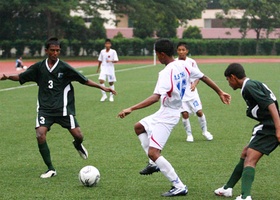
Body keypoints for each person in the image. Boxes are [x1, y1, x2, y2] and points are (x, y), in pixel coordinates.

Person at [118, 38, 231, 197]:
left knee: (154, 152)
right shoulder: (185, 64)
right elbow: (204, 77)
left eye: (157, 55)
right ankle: (153, 164)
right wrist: (220, 91)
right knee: (139, 127)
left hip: (168, 114)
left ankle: (179, 185)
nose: (157, 58)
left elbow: (155, 97)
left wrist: (131, 108)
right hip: (166, 110)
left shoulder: (165, 73)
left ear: (162, 54)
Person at [0, 37, 116, 179]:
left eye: (58, 51)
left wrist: (102, 87)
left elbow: (84, 80)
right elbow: (21, 76)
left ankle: (77, 145)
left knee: (79, 136)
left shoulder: (64, 67)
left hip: (63, 110)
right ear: (46, 51)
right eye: (52, 50)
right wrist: (7, 77)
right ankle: (50, 169)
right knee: (40, 135)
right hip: (45, 110)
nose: (55, 53)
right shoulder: (38, 67)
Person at [214, 63, 280, 200]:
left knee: (250, 158)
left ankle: (245, 196)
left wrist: (278, 128)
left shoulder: (249, 87)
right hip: (267, 125)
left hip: (271, 127)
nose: (228, 83)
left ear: (233, 77)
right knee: (246, 152)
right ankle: (227, 188)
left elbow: (270, 104)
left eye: (227, 80)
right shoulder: (251, 84)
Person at [176, 42, 213, 142]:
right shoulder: (174, 63)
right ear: (177, 51)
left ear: (187, 51)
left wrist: (195, 84)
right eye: (179, 50)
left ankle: (205, 131)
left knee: (199, 112)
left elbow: (199, 75)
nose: (181, 52)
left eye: (183, 50)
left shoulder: (192, 62)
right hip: (181, 95)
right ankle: (189, 135)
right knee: (184, 114)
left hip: (192, 93)